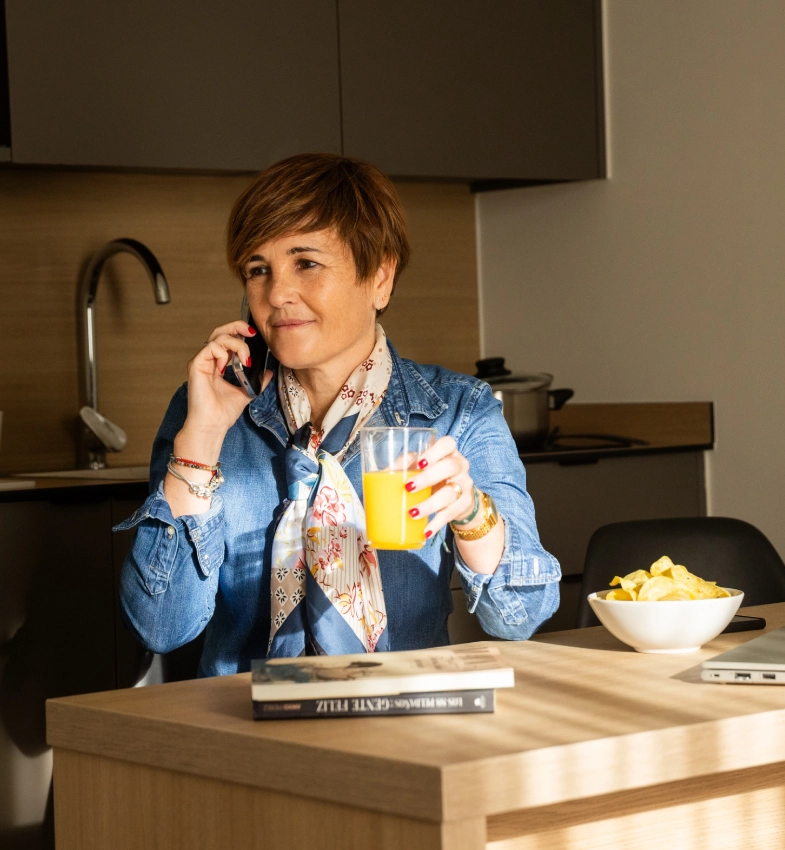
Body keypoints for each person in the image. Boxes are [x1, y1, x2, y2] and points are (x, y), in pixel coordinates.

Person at [118, 153, 560, 676]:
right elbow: (160, 628)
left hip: (403, 713)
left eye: (306, 263)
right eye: (258, 270)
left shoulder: (459, 412)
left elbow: (521, 615)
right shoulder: (204, 410)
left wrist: (470, 512)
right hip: (242, 718)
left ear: (380, 278)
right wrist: (202, 441)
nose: (276, 294)